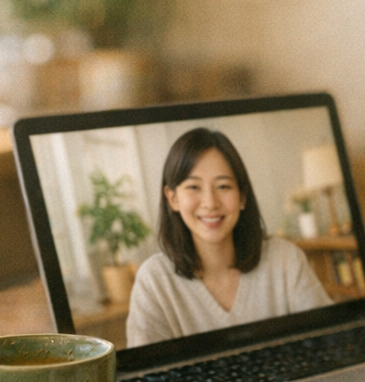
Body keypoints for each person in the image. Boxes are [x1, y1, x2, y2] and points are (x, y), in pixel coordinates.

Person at [126, 127, 333, 347]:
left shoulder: (285, 259)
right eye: (194, 187)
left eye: (223, 186)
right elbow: (146, 367)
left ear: (242, 196)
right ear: (173, 198)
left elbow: (330, 339)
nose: (210, 203)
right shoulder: (153, 281)